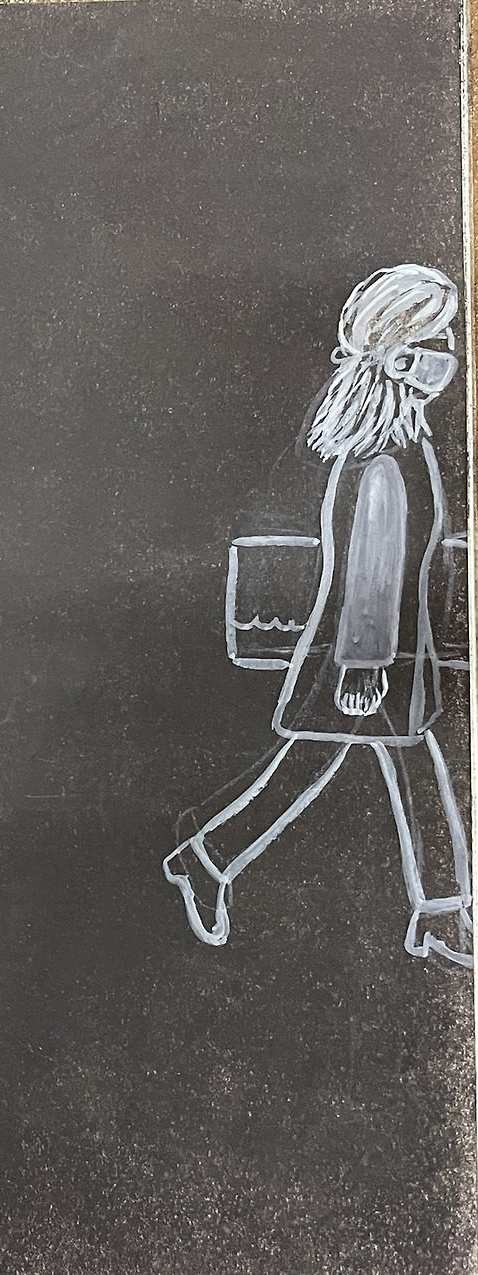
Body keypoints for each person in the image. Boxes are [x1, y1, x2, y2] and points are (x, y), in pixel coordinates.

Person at [162, 264, 473, 968]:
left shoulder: (394, 444)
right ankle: (209, 858)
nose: (451, 354)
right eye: (440, 340)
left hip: (387, 651)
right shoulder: (388, 457)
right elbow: (371, 568)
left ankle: (437, 911)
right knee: (331, 765)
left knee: (357, 764)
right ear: (402, 356)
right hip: (372, 652)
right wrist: (364, 663)